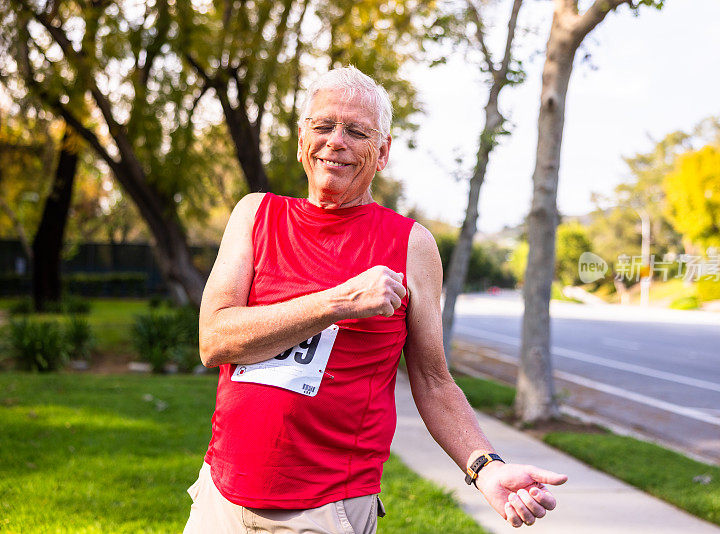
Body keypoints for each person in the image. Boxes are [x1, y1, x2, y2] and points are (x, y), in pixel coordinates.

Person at [184, 65, 567, 534]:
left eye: (357, 131)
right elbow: (214, 339)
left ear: (382, 152)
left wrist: (486, 467)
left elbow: (432, 380)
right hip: (219, 496)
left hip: (326, 510)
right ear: (302, 139)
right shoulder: (255, 215)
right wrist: (337, 302)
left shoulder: (411, 244)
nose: (336, 141)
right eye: (323, 126)